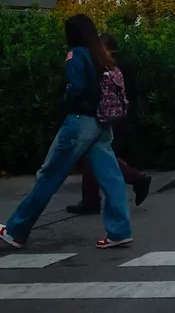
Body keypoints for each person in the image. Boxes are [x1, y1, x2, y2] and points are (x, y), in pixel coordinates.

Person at [0, 14, 132, 250]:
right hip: (101, 122)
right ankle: (119, 231)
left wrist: (65, 103)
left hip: (79, 122)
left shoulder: (76, 54)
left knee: (49, 175)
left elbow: (77, 87)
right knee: (111, 177)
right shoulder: (101, 55)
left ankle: (16, 230)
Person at [67, 33, 151, 214]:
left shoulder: (104, 66)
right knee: (96, 152)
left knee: (96, 152)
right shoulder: (119, 65)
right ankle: (94, 197)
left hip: (104, 115)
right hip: (117, 114)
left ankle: (132, 179)